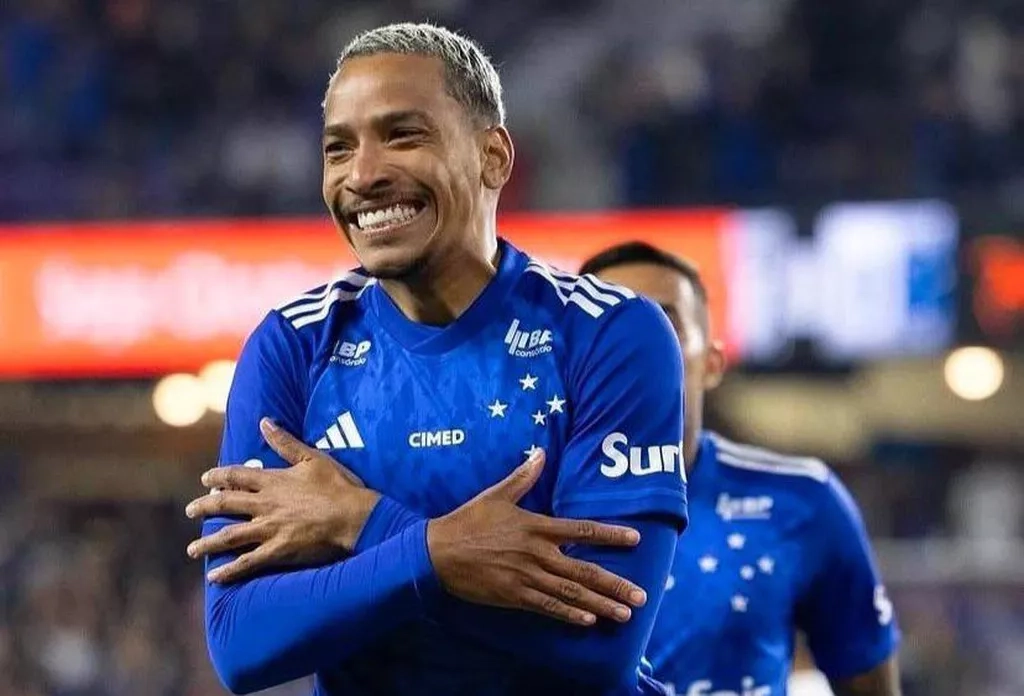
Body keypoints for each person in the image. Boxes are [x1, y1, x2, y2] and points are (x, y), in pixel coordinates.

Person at [183, 23, 688, 696]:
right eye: (338, 148)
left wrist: (361, 524)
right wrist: (441, 553)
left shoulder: (609, 334)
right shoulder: (292, 347)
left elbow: (602, 643)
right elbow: (241, 641)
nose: (363, 175)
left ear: (493, 158)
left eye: (402, 135)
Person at [580, 242, 902, 696]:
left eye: (664, 324)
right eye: (610, 327)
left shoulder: (801, 501)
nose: (638, 346)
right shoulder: (524, 502)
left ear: (711, 364)